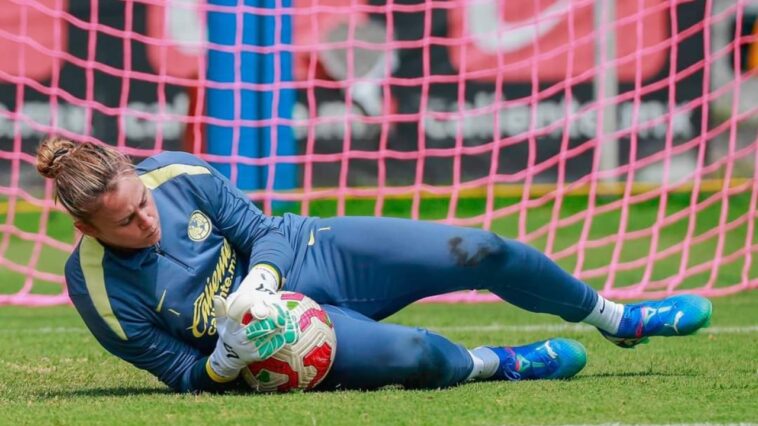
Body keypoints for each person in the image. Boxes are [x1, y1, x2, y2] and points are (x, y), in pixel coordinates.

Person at [36, 137, 713, 393]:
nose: (145, 217)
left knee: (478, 248)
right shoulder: (93, 288)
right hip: (275, 343)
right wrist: (224, 360)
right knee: (417, 353)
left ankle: (618, 316)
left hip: (309, 254)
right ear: (84, 226)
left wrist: (264, 279)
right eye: (125, 221)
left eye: (142, 200)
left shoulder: (176, 171)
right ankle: (500, 363)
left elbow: (262, 230)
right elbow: (178, 372)